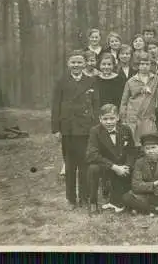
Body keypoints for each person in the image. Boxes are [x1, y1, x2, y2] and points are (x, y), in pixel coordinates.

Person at [51, 50, 100, 210]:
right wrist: (56, 129)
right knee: (70, 166)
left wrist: (95, 126)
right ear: (68, 64)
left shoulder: (91, 81)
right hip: (68, 129)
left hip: (86, 129)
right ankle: (71, 199)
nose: (76, 65)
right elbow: (55, 106)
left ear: (85, 64)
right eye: (73, 62)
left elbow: (96, 105)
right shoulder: (61, 81)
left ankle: (84, 197)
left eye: (79, 62)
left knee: (85, 165)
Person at [86, 104, 136, 214]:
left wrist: (127, 166)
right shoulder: (95, 131)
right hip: (106, 166)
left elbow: (132, 151)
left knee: (125, 201)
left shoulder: (125, 129)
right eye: (105, 119)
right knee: (93, 168)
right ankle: (93, 202)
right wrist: (114, 167)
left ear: (118, 117)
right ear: (100, 119)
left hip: (123, 166)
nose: (109, 122)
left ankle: (122, 196)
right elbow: (92, 154)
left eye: (112, 118)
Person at [121, 133, 158, 216]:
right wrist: (154, 184)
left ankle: (140, 209)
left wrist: (155, 191)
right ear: (143, 149)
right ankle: (155, 210)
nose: (151, 151)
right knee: (126, 197)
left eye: (153, 147)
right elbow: (136, 185)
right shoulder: (139, 162)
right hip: (144, 194)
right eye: (147, 148)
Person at [119, 52, 158, 143]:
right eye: (142, 64)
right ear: (137, 65)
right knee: (133, 143)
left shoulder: (155, 79)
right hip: (133, 117)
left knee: (148, 142)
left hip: (148, 117)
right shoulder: (131, 81)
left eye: (147, 64)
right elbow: (124, 101)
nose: (144, 66)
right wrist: (123, 118)